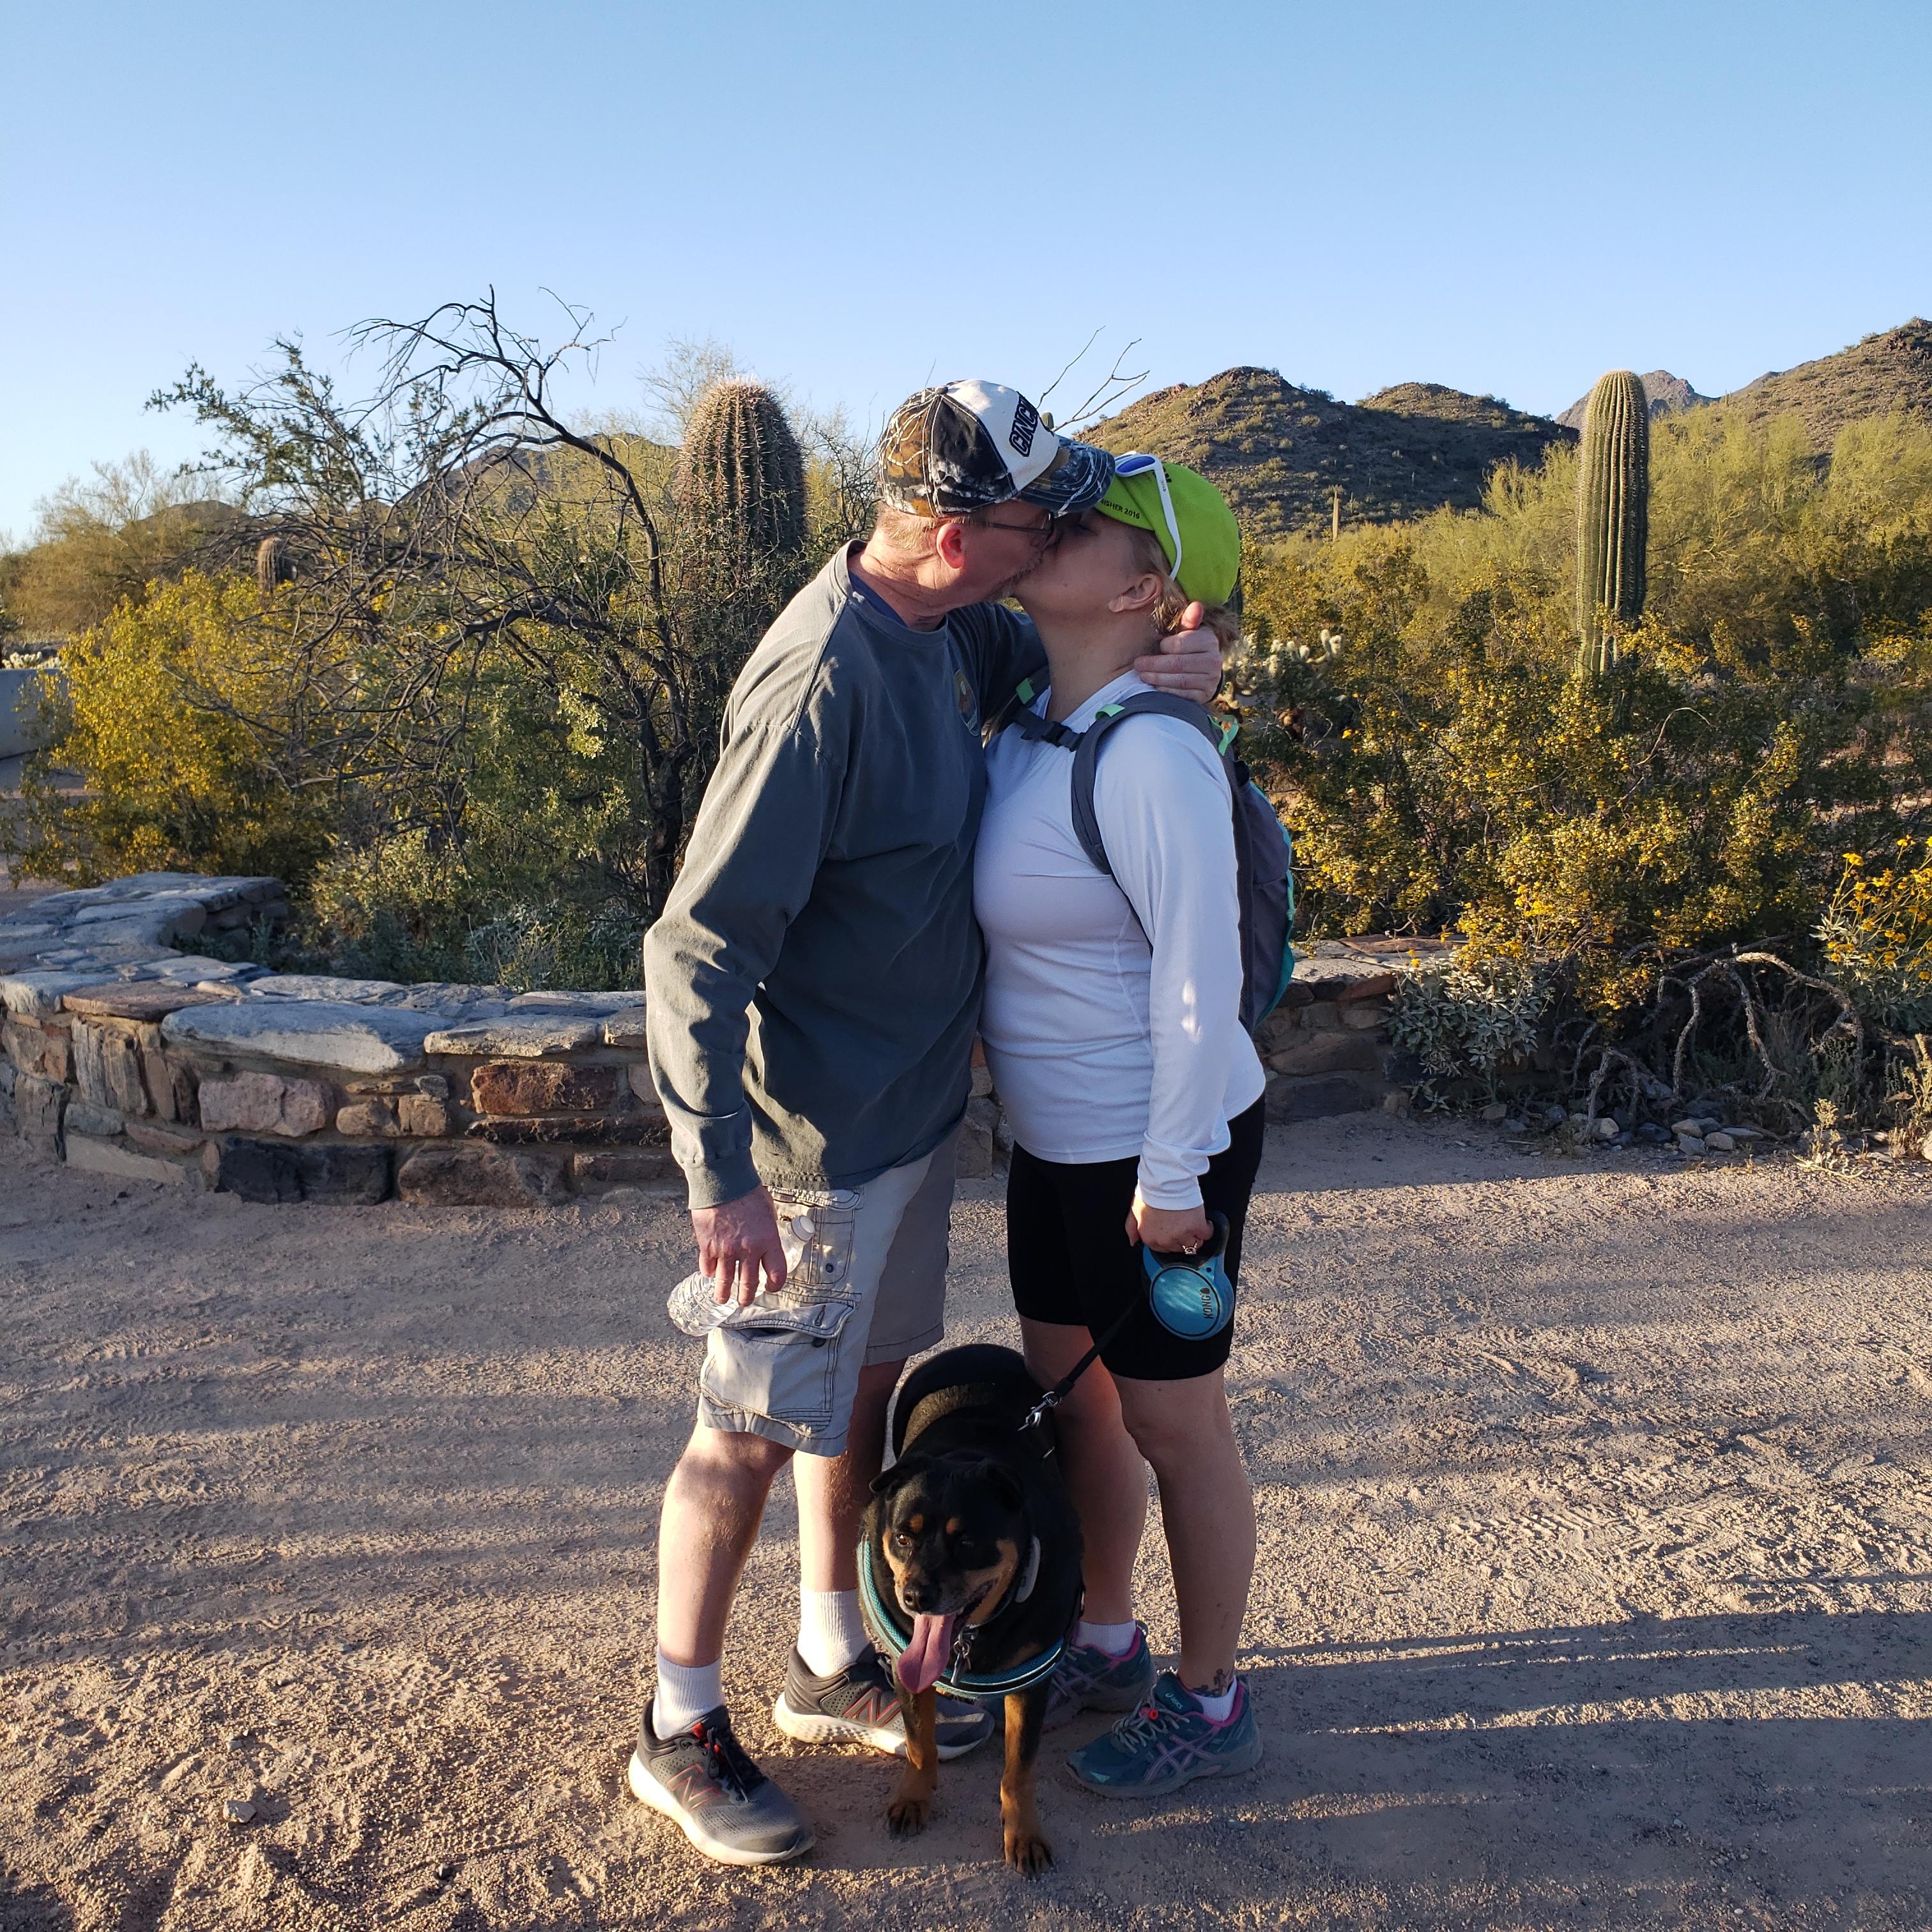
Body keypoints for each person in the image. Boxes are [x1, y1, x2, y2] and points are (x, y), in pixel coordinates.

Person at [633, 381, 1225, 1866]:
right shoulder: (823, 684)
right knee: (747, 1428)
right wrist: (721, 1175)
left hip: (902, 1121)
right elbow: (696, 949)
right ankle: (677, 1728)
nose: (1060, 535)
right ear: (967, 531)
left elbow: (1070, 656)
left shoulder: (941, 622)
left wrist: (1180, 652)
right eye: (1046, 517)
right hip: (810, 1146)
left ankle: (833, 1649)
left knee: (856, 1399)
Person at [973, 456, 1268, 1795]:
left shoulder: (1154, 757)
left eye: (1081, 526)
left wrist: (1171, 1179)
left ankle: (1206, 1698)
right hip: (1056, 1146)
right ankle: (1105, 1634)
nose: (1047, 530)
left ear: (1148, 587)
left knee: (1175, 1427)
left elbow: (1201, 985)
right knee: (1078, 1409)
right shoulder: (1040, 719)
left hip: (1159, 1156)